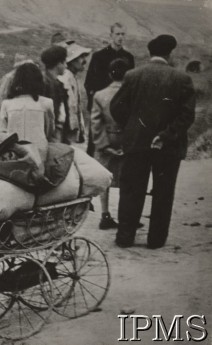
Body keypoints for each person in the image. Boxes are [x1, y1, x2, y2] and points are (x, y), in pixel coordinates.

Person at [110, 34, 195, 249]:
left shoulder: (132, 75)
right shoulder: (182, 79)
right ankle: (156, 240)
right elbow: (187, 116)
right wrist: (165, 135)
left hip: (137, 142)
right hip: (169, 146)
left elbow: (116, 106)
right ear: (169, 54)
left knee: (131, 189)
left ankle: (125, 237)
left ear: (150, 54)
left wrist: (133, 127)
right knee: (163, 192)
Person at [85, 23, 135, 156]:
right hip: (102, 103)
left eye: (123, 34)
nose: (120, 37)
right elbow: (89, 83)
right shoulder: (99, 56)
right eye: (117, 34)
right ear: (111, 35)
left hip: (122, 105)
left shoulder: (129, 57)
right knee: (97, 140)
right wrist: (95, 103)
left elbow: (131, 83)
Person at [90, 58, 129, 229]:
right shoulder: (132, 93)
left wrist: (104, 146)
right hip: (127, 141)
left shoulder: (100, 95)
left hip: (107, 139)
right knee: (127, 180)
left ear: (109, 74)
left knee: (105, 178)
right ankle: (126, 217)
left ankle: (105, 214)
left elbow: (96, 123)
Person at [0, 62, 55, 148]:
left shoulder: (7, 104)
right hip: (39, 150)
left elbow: (1, 132)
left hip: (14, 151)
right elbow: (49, 131)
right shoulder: (47, 103)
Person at [58, 43, 91, 144]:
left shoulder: (73, 77)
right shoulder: (66, 78)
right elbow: (70, 105)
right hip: (66, 127)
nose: (84, 61)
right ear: (72, 61)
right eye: (81, 57)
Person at [41, 45, 69, 143]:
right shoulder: (47, 83)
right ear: (58, 64)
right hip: (50, 132)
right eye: (64, 62)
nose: (66, 65)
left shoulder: (53, 82)